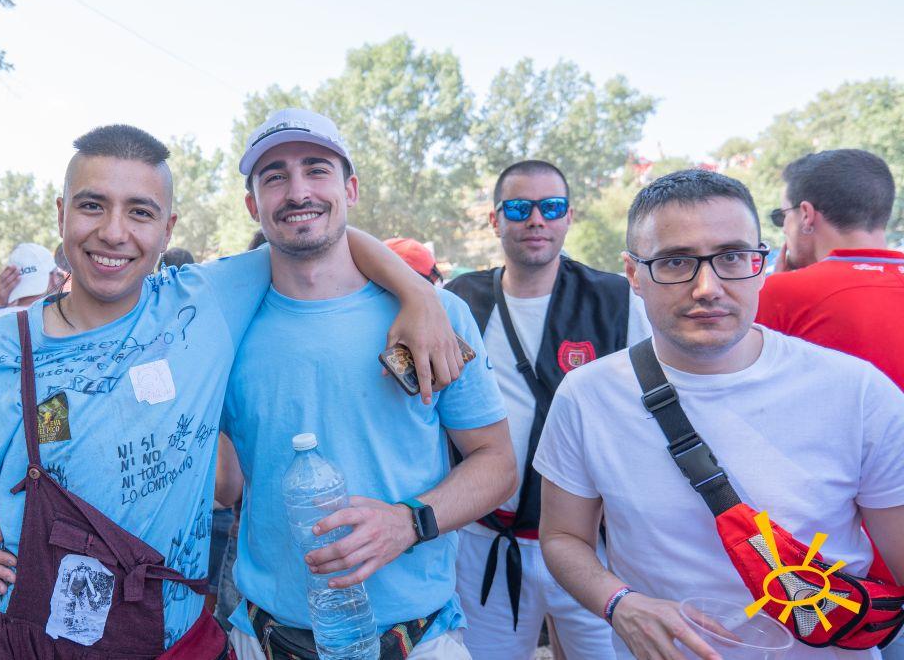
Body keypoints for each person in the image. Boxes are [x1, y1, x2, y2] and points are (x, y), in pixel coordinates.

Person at [0, 123, 461, 658]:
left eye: (140, 212)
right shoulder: (1, 349)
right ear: (61, 214)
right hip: (31, 637)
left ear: (168, 229)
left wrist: (417, 293)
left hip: (176, 639)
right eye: (92, 206)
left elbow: (315, 229)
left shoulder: (203, 302)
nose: (114, 232)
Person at [533, 170, 904, 660]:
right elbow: (562, 536)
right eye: (675, 262)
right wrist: (619, 603)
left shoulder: (858, 392)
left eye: (731, 257)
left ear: (760, 264)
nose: (707, 287)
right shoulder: (587, 396)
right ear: (633, 274)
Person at [217, 108, 516, 659]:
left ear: (350, 189)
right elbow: (226, 486)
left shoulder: (436, 315)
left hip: (417, 640)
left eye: (317, 169)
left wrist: (409, 522)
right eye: (275, 177)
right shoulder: (226, 328)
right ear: (252, 205)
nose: (298, 191)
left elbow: (496, 464)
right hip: (265, 637)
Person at [445, 160, 648, 659]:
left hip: (589, 547)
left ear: (568, 217)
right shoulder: (459, 302)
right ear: (495, 220)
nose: (536, 219)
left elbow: (649, 410)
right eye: (519, 208)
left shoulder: (615, 299)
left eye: (551, 207)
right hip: (488, 542)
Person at [757, 149, 903, 389]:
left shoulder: (780, 293)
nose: (783, 228)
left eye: (782, 216)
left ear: (806, 215)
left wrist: (776, 292)